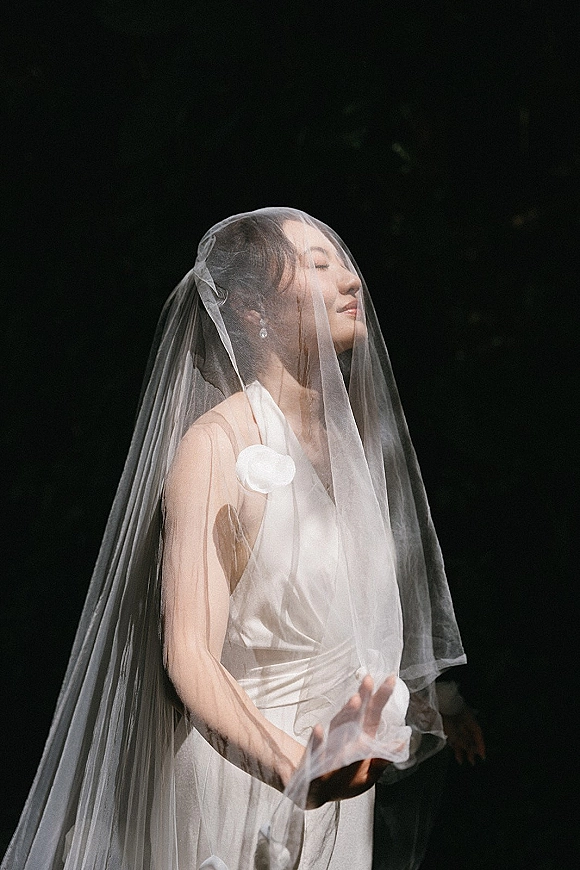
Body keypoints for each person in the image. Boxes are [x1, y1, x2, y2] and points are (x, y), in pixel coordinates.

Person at [1, 208, 466, 870]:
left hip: (340, 789)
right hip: (248, 786)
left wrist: (417, 709)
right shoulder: (218, 445)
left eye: (344, 260)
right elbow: (188, 652)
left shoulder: (353, 455)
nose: (351, 280)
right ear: (251, 310)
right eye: (317, 265)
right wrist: (295, 766)